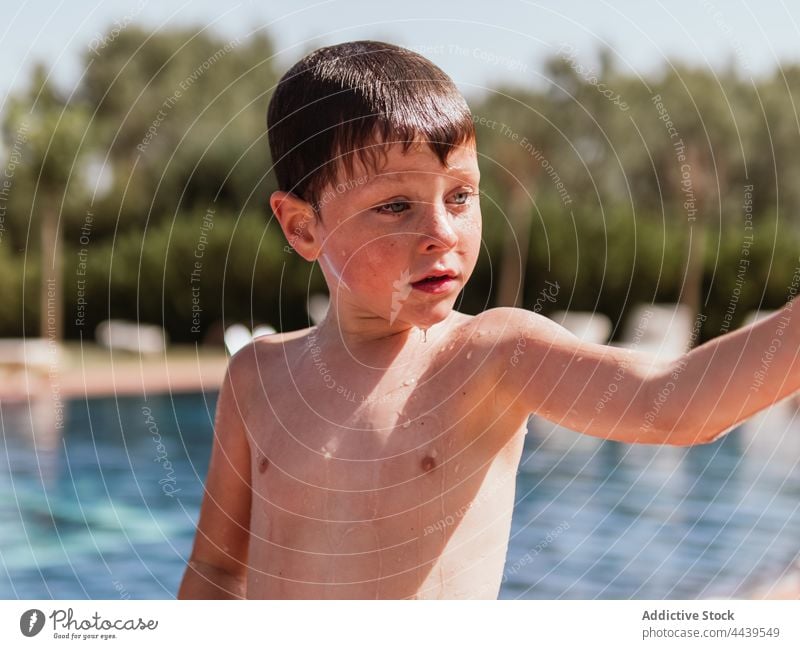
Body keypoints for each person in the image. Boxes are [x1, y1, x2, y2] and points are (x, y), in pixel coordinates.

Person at [178, 40, 800, 599]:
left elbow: (674, 402)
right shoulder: (256, 376)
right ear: (302, 226)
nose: (441, 233)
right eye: (396, 206)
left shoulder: (492, 355)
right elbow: (217, 568)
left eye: (460, 196)